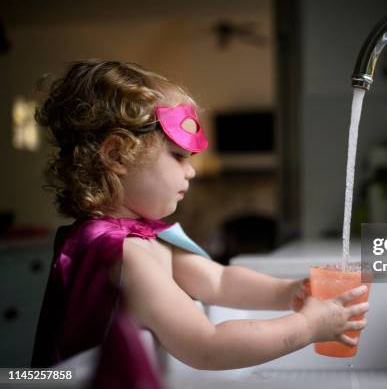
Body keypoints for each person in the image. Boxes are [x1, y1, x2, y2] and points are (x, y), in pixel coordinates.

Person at [31, 60, 369, 384]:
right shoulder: (123, 254)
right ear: (117, 155)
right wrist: (308, 326)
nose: (191, 170)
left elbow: (218, 280)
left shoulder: (137, 239)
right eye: (178, 156)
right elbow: (207, 346)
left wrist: (289, 292)